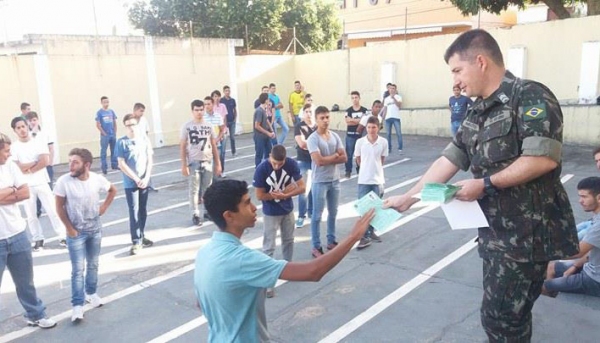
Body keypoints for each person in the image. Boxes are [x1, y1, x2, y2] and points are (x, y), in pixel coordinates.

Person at [383, 29, 579, 342]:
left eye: (457, 70)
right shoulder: (477, 112)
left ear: (480, 61)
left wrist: (484, 184)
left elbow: (542, 158)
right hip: (494, 238)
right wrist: (409, 197)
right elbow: (448, 160)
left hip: (526, 241)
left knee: (502, 322)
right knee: (505, 320)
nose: (455, 81)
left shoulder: (529, 96)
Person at [194, 179, 374, 342]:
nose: (254, 208)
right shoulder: (241, 259)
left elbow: (201, 303)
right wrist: (353, 236)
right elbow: (313, 271)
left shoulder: (205, 252)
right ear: (229, 216)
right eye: (247, 203)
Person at [0, 132, 57, 329]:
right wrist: (11, 190)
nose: (9, 154)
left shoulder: (9, 166)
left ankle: (35, 314)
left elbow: (24, 192)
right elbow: (18, 191)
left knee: (26, 282)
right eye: (6, 151)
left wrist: (6, 193)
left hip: (17, 234)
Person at [54, 148, 117, 322]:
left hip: (95, 230)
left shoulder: (97, 179)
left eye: (75, 162)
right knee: (77, 270)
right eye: (69, 161)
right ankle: (77, 305)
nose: (70, 166)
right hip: (76, 233)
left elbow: (113, 190)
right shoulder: (63, 182)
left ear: (86, 165)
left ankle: (91, 293)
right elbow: (59, 207)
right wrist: (69, 229)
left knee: (93, 265)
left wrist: (103, 208)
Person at [253, 145, 305, 298]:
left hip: (287, 209)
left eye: (280, 164)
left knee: (288, 240)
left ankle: (288, 269)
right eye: (274, 163)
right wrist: (276, 195)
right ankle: (268, 282)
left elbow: (302, 187)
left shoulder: (291, 164)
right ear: (270, 156)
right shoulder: (262, 168)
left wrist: (285, 195)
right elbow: (259, 195)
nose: (276, 166)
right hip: (270, 212)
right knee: (269, 246)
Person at [10, 117, 66, 251]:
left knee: (52, 210)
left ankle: (63, 235)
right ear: (14, 130)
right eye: (18, 128)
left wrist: (29, 169)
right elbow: (17, 166)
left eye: (23, 126)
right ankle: (38, 238)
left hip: (41, 181)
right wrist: (34, 163)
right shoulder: (14, 147)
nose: (22, 130)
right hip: (25, 185)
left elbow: (45, 161)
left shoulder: (38, 142)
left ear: (27, 126)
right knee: (31, 214)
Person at [542, 177, 600, 298]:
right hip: (591, 266)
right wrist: (575, 266)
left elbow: (577, 252)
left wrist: (545, 252)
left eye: (584, 197)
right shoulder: (597, 218)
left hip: (595, 280)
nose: (580, 201)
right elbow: (591, 252)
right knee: (551, 267)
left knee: (543, 285)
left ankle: (556, 305)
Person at [307, 106, 347, 258]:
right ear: (316, 120)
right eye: (322, 118)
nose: (325, 120)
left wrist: (332, 158)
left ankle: (331, 240)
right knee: (317, 215)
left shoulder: (335, 136)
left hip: (335, 180)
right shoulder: (313, 139)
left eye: (327, 117)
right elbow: (318, 161)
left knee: (333, 212)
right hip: (320, 182)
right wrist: (334, 156)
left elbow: (344, 157)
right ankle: (316, 246)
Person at [116, 114, 154, 255]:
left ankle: (142, 235)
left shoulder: (144, 140)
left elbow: (149, 160)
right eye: (128, 125)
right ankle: (136, 241)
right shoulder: (122, 143)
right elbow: (121, 163)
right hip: (130, 183)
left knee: (143, 210)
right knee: (134, 211)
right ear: (125, 127)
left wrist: (146, 177)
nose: (131, 127)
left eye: (133, 124)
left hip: (144, 181)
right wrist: (136, 178)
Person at [180, 100, 222, 226]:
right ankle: (195, 213)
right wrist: (183, 164)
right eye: (196, 110)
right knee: (194, 189)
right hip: (194, 161)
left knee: (207, 189)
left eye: (201, 109)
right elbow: (182, 146)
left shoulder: (208, 125)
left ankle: (207, 212)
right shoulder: (187, 126)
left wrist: (218, 162)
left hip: (207, 161)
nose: (199, 112)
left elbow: (213, 144)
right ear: (192, 111)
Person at [355, 116, 388, 249]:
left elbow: (382, 159)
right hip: (364, 180)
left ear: (378, 128)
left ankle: (371, 231)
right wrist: (366, 169)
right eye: (368, 127)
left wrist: (375, 169)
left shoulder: (383, 142)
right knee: (364, 208)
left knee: (375, 208)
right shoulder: (360, 142)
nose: (371, 130)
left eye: (374, 127)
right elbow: (358, 159)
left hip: (378, 179)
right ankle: (363, 236)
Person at [25, 111, 55, 217]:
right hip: (35, 165)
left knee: (48, 187)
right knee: (35, 188)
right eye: (30, 121)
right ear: (27, 122)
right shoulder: (27, 135)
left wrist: (50, 163)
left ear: (37, 120)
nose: (33, 122)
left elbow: (51, 148)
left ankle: (52, 210)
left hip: (46, 164)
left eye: (34, 120)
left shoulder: (45, 132)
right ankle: (37, 210)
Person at [294, 103, 316, 228]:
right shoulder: (299, 126)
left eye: (311, 111)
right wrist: (315, 144)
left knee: (314, 188)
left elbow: (324, 142)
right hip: (304, 160)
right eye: (306, 111)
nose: (308, 114)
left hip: (316, 160)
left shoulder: (317, 127)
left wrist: (311, 143)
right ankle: (301, 216)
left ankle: (311, 212)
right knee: (303, 190)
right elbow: (301, 144)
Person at [344, 91, 367, 179]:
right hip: (350, 135)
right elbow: (347, 122)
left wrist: (352, 120)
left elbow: (365, 122)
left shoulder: (364, 110)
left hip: (361, 136)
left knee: (361, 154)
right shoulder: (348, 110)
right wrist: (360, 121)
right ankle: (348, 171)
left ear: (359, 98)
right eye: (352, 98)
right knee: (349, 154)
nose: (354, 99)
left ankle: (360, 169)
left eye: (356, 97)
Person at [204, 96, 226, 179]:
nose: (207, 106)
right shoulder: (202, 117)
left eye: (208, 104)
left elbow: (222, 130)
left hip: (216, 144)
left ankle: (216, 179)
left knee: (216, 163)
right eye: (205, 104)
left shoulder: (218, 116)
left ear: (212, 104)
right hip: (205, 146)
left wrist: (217, 139)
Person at [95, 96, 118, 175]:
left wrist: (115, 131)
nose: (106, 104)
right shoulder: (99, 112)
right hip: (105, 135)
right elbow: (98, 124)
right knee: (104, 151)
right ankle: (104, 167)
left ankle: (114, 165)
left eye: (107, 102)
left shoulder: (111, 111)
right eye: (104, 102)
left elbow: (114, 122)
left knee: (114, 150)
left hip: (112, 134)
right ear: (101, 103)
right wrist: (104, 133)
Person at [253, 93, 276, 167]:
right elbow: (257, 126)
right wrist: (268, 133)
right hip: (259, 137)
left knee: (269, 153)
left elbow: (267, 121)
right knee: (259, 154)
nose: (269, 101)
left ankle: (267, 169)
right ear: (266, 100)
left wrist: (272, 130)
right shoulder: (259, 111)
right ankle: (258, 171)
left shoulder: (265, 109)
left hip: (266, 136)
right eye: (268, 99)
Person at [382, 84, 403, 154]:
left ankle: (400, 148)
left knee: (398, 133)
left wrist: (394, 98)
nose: (392, 90)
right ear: (389, 90)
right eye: (390, 88)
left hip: (396, 117)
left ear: (395, 90)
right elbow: (385, 109)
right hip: (388, 118)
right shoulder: (386, 99)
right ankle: (389, 148)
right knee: (388, 134)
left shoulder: (398, 97)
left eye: (393, 88)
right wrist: (382, 119)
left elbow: (399, 106)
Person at [212, 90, 229, 174]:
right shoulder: (211, 107)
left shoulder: (223, 106)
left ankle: (222, 170)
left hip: (223, 131)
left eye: (218, 96)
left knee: (222, 153)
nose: (217, 98)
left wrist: (224, 129)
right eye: (215, 96)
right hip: (215, 133)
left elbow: (225, 118)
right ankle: (215, 170)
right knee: (216, 153)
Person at [221, 85, 238, 157]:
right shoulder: (222, 100)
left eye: (228, 91)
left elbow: (235, 110)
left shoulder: (232, 100)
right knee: (224, 138)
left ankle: (233, 151)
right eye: (226, 91)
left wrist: (235, 118)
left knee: (232, 137)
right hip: (225, 122)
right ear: (224, 92)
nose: (227, 92)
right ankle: (222, 152)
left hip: (232, 121)